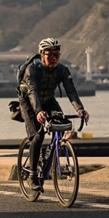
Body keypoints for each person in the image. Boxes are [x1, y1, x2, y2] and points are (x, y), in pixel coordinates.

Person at [19, 38, 89, 192]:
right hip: (29, 101)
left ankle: (49, 156)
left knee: (61, 124)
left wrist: (80, 109)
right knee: (38, 136)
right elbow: (32, 92)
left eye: (57, 55)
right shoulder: (32, 69)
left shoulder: (62, 70)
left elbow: (71, 91)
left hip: (49, 100)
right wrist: (38, 111)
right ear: (42, 55)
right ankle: (33, 176)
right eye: (50, 55)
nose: (54, 58)